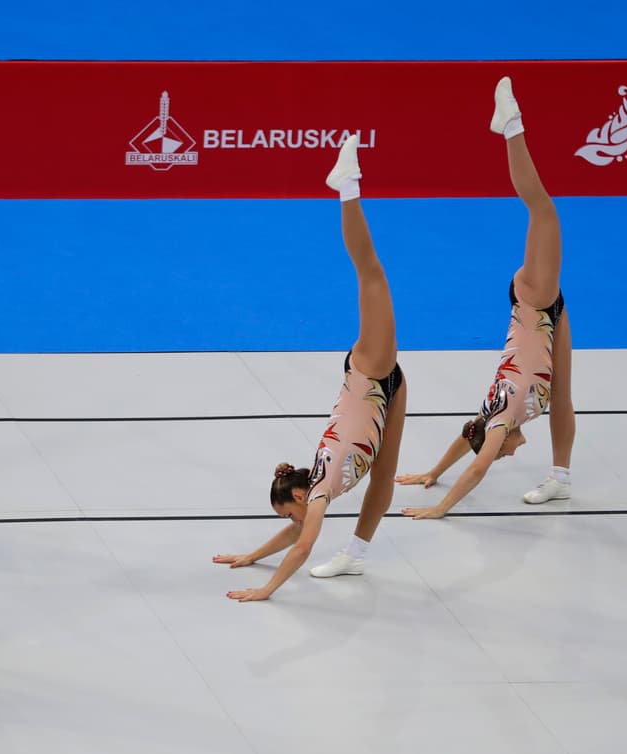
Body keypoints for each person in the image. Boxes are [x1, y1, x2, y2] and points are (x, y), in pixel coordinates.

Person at [212, 134, 408, 594]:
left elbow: (302, 545)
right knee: (384, 474)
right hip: (387, 388)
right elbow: (295, 535)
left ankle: (346, 187)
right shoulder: (315, 489)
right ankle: (356, 555)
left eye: (290, 512)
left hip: (370, 374)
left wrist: (266, 590)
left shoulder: (318, 494)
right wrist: (251, 556)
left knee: (372, 275)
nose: (295, 520)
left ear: (299, 496)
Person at [398, 76, 575, 520]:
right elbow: (467, 439)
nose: (511, 454)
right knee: (564, 395)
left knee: (543, 209)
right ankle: (562, 477)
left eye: (505, 455)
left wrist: (439, 506)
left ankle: (511, 124)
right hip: (547, 316)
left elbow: (478, 462)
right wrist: (432, 472)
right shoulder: (492, 418)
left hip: (534, 303)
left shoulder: (499, 422)